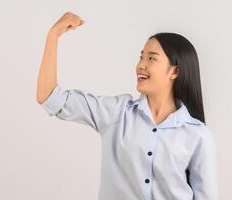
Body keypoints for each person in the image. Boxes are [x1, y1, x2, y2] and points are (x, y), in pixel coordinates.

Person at [36, 11, 218, 200]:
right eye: (141, 57)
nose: (141, 65)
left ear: (174, 71)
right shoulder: (116, 113)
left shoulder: (198, 136)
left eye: (151, 58)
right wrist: (53, 35)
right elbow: (49, 97)